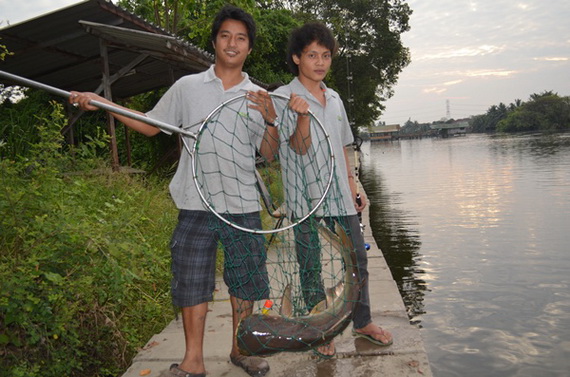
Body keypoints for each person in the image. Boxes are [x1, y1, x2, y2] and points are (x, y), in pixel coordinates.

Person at [70, 6, 278, 377]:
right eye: (226, 35)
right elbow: (150, 126)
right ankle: (193, 361)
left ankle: (240, 349)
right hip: (195, 203)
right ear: (215, 41)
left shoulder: (259, 95)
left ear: (249, 48)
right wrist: (100, 101)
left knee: (245, 282)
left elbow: (269, 152)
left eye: (241, 38)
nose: (232, 43)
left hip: (242, 204)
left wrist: (271, 119)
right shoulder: (187, 87)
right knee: (191, 282)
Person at [273, 22, 393, 358]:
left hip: (340, 197)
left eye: (325, 55)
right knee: (310, 267)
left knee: (358, 262)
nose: (320, 62)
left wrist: (354, 188)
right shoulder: (284, 97)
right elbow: (296, 148)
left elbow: (344, 148)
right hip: (305, 201)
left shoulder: (335, 98)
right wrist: (301, 118)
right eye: (312, 55)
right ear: (297, 58)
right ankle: (320, 330)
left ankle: (363, 322)